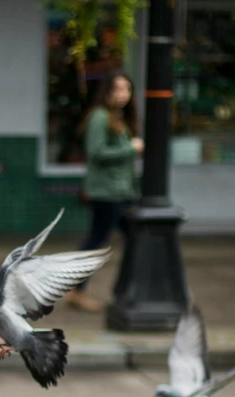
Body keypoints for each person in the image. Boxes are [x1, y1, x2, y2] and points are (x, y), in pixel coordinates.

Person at [66, 72, 143, 312]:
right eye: (117, 89)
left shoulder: (119, 117)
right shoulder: (100, 117)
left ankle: (130, 290)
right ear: (107, 92)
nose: (122, 95)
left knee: (136, 240)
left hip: (122, 191)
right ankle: (76, 290)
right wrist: (130, 149)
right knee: (96, 240)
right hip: (106, 192)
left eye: (127, 90)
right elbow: (96, 152)